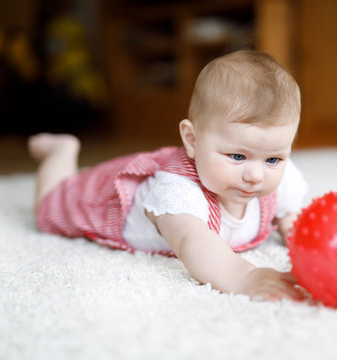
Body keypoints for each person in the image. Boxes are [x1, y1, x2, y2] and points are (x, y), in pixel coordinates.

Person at [28, 50, 309, 302]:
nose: (255, 175)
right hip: (107, 202)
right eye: (237, 156)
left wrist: (309, 249)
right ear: (192, 140)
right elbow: (193, 242)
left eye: (273, 159)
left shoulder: (280, 177)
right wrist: (246, 277)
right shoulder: (177, 190)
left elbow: (290, 218)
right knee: (49, 210)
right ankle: (61, 153)